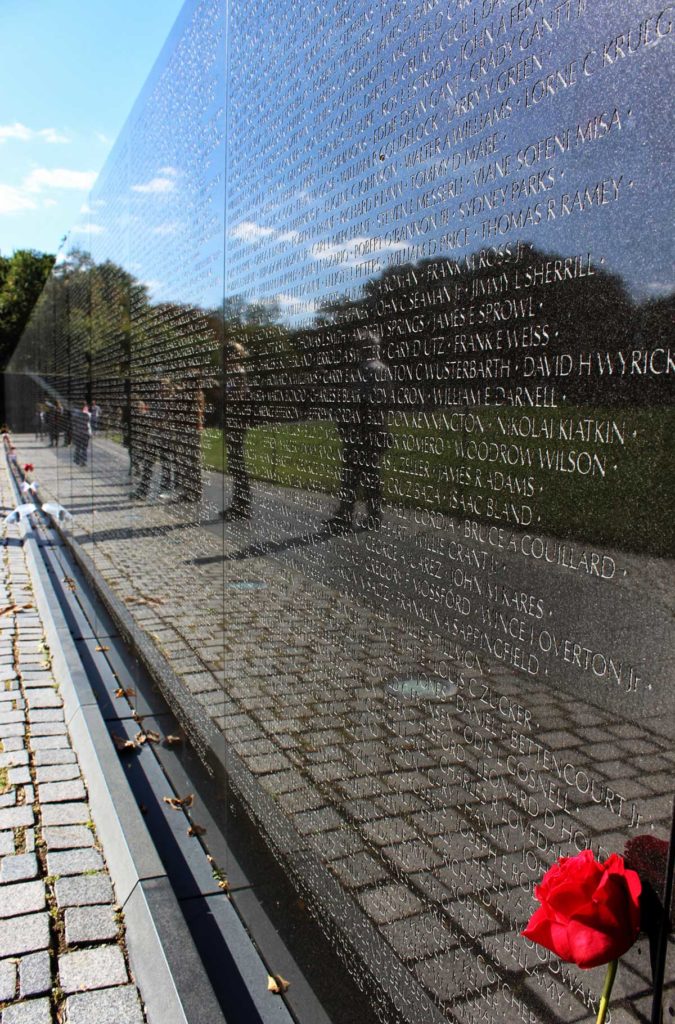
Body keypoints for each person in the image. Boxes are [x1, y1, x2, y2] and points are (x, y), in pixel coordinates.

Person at [324, 330, 391, 533]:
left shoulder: (367, 369)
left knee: (351, 475)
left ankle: (347, 516)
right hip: (376, 428)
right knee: (368, 475)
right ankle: (371, 515)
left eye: (360, 346)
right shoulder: (382, 369)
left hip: (361, 430)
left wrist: (345, 421)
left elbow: (360, 401)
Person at [220, 342, 253, 520]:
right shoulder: (232, 375)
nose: (225, 360)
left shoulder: (239, 374)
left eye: (228, 355)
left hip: (237, 424)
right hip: (232, 423)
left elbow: (239, 399)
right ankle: (239, 503)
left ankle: (243, 505)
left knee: (238, 465)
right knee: (235, 464)